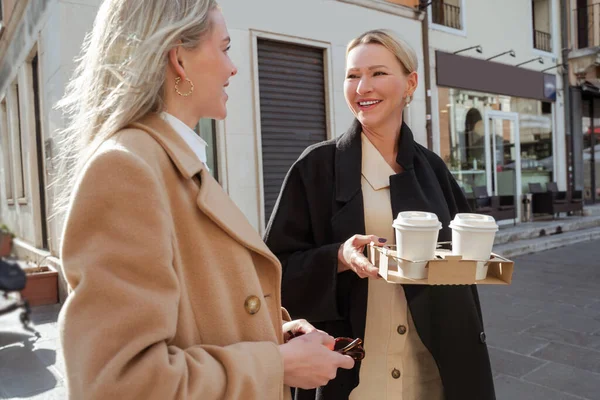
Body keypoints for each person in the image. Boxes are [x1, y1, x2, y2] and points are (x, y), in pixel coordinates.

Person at [55, 1, 354, 399]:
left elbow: (191, 319)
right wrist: (277, 364)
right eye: (225, 47)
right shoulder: (127, 169)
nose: (233, 67)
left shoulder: (170, 161)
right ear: (179, 58)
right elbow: (117, 382)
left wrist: (273, 336)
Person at [265, 29, 496, 400]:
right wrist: (338, 257)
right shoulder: (316, 167)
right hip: (350, 377)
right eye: (352, 75)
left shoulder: (433, 170)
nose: (362, 87)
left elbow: (460, 266)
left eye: (377, 73)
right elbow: (272, 273)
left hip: (430, 377)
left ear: (410, 83)